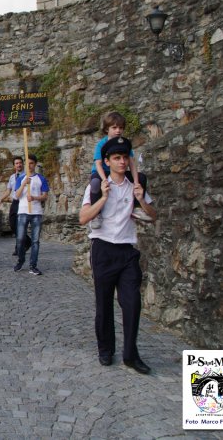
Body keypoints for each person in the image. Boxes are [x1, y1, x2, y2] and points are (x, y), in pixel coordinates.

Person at [79, 136, 157, 375]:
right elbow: (83, 218)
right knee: (103, 304)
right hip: (102, 249)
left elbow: (153, 216)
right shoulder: (96, 187)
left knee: (132, 303)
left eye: (125, 158)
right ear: (107, 161)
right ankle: (105, 349)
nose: (122, 162)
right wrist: (103, 197)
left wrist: (142, 199)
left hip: (126, 251)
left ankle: (131, 355)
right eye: (116, 158)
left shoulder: (135, 185)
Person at [88, 112, 151, 229]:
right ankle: (96, 215)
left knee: (142, 177)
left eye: (121, 128)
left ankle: (137, 208)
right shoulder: (101, 144)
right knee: (95, 183)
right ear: (107, 129)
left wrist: (136, 181)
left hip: (118, 170)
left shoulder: (125, 144)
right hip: (103, 172)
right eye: (114, 127)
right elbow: (98, 163)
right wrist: (103, 180)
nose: (118, 131)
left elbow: (131, 163)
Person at [13, 154, 49, 276]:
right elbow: (16, 196)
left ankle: (33, 265)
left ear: (35, 164)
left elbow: (45, 196)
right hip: (23, 211)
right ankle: (20, 260)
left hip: (36, 212)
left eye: (31, 163)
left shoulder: (41, 178)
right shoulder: (20, 178)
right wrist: (24, 184)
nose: (29, 165)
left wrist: (34, 197)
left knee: (35, 241)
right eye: (27, 163)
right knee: (20, 238)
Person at [0, 156, 26, 256]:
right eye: (17, 163)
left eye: (20, 163)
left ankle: (18, 247)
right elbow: (9, 190)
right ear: (14, 166)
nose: (19, 165)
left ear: (23, 164)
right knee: (13, 224)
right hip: (15, 203)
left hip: (23, 202)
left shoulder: (27, 176)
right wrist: (1, 199)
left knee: (20, 225)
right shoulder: (12, 177)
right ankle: (27, 241)